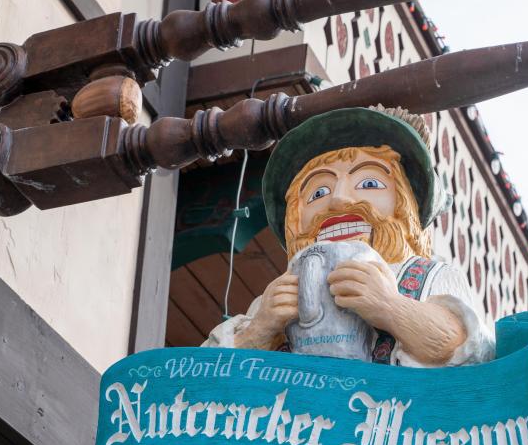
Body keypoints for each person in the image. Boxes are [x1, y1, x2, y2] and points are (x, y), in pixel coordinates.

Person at [204, 105, 494, 367]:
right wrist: (259, 331)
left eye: (369, 183)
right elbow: (197, 378)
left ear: (405, 206)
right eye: (318, 192)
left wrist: (391, 306)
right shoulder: (271, 302)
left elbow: (472, 351)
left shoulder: (428, 277)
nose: (339, 201)